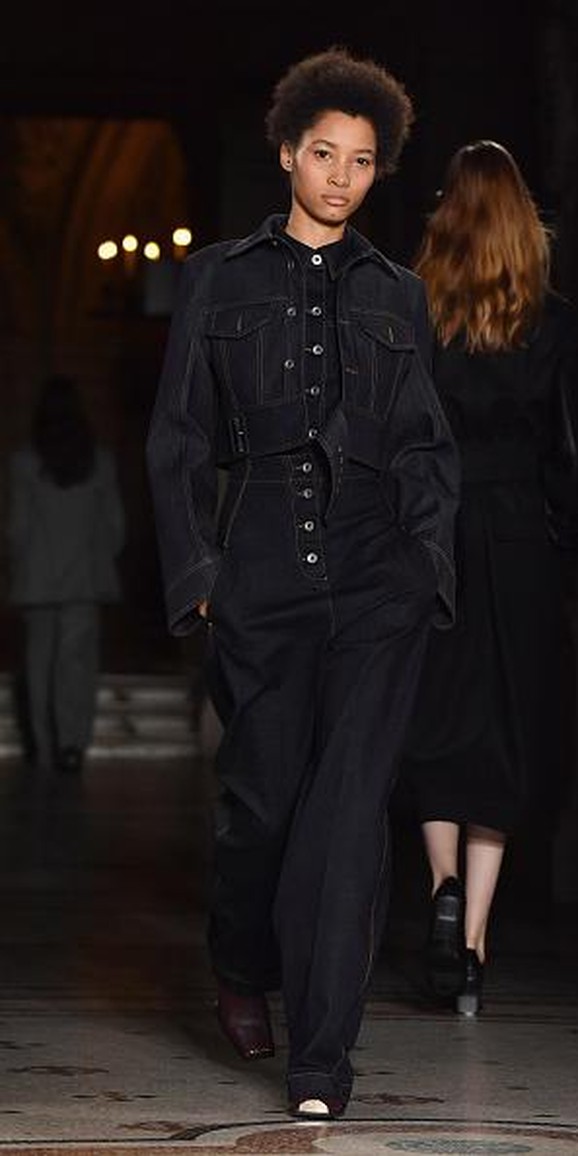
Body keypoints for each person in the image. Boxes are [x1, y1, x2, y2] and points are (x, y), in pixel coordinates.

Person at [146, 46, 460, 1120]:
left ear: (377, 174)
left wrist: (427, 567)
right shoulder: (219, 278)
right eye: (322, 152)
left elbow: (426, 446)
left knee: (344, 814)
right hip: (263, 569)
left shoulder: (396, 296)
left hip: (378, 578)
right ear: (286, 152)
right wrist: (197, 574)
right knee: (262, 807)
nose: (339, 175)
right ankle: (239, 960)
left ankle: (320, 1063)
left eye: (361, 160)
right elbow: (179, 435)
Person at [399, 140, 578, 1016]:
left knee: (433, 720)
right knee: (509, 733)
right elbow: (570, 457)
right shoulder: (550, 322)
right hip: (517, 538)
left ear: (447, 211)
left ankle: (442, 889)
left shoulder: (415, 311)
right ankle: (474, 935)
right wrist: (566, 536)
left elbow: (394, 435)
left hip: (435, 534)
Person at [7, 374, 126, 775]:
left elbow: (18, 528)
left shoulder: (25, 462)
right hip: (85, 579)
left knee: (40, 665)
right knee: (76, 665)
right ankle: (72, 744)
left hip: (38, 579)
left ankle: (43, 746)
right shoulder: (100, 462)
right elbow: (115, 527)